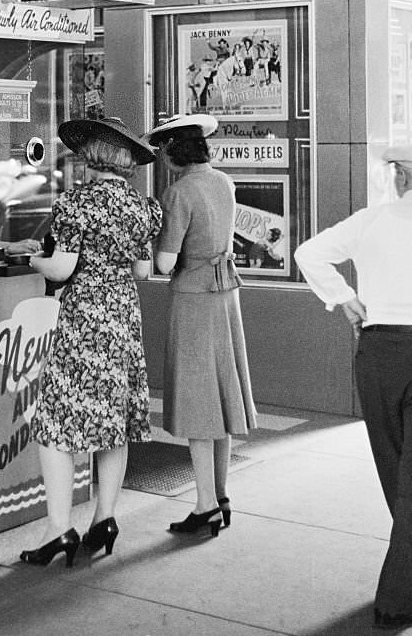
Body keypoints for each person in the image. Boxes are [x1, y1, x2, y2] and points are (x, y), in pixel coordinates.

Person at [294, 142, 412, 630]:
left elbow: (308, 254)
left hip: (378, 354)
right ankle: (399, 598)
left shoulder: (372, 219)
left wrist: (344, 299)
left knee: (398, 470)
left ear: (399, 180)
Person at [19, 116, 162, 568]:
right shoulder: (144, 207)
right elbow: (143, 271)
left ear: (92, 156)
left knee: (55, 422)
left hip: (85, 318)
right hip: (123, 317)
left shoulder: (76, 203)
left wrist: (31, 260)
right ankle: (105, 518)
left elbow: (61, 270)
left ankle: (58, 528)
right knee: (113, 421)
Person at [147, 113, 257, 538]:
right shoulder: (223, 182)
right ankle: (222, 494)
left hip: (193, 298)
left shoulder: (178, 192)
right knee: (223, 393)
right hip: (227, 293)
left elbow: (165, 262)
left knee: (196, 401)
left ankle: (205, 504)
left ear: (174, 152)